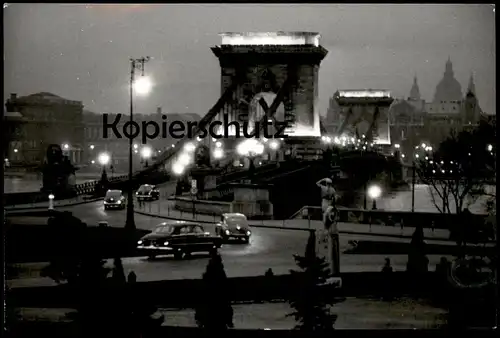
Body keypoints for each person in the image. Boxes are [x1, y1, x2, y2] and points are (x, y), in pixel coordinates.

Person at [323, 197, 340, 275]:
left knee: (334, 252)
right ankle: (333, 270)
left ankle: (334, 270)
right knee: (333, 252)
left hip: (333, 231)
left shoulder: (332, 209)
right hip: (332, 232)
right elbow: (327, 219)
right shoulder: (331, 209)